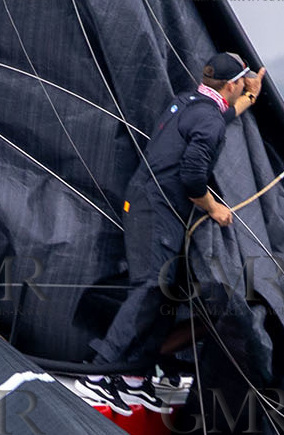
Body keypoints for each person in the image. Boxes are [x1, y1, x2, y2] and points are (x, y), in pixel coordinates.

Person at [82, 52, 266, 414]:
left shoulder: (189, 101)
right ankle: (99, 372)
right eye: (241, 82)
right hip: (156, 208)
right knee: (151, 287)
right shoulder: (208, 119)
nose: (243, 85)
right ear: (230, 85)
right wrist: (215, 209)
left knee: (163, 290)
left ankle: (132, 375)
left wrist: (250, 97)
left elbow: (217, 117)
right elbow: (193, 177)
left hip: (147, 202)